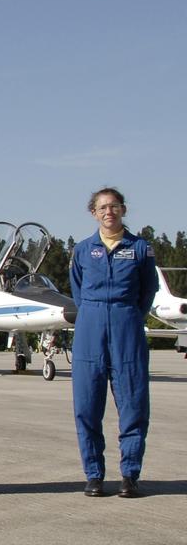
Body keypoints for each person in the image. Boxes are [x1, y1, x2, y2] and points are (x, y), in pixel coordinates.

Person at [69, 187, 157, 498]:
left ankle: (130, 475)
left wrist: (127, 314)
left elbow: (147, 291)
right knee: (87, 406)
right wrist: (95, 311)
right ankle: (93, 474)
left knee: (133, 403)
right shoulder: (82, 250)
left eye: (115, 206)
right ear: (93, 213)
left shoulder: (140, 249)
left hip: (126, 324)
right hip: (90, 326)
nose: (109, 212)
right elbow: (77, 290)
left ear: (123, 210)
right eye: (103, 207)